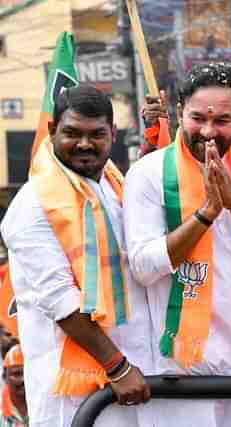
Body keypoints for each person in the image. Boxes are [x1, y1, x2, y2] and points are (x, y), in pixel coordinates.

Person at [123, 62, 231, 427]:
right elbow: (143, 267)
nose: (209, 131)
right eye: (198, 118)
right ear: (180, 113)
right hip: (177, 370)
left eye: (222, 120)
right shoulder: (148, 175)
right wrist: (207, 214)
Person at [0, 85, 153, 427]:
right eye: (72, 133)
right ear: (53, 130)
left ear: (112, 135)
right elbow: (61, 302)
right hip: (75, 394)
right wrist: (118, 366)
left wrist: (153, 151)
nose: (84, 144)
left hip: (130, 381)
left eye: (96, 134)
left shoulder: (113, 187)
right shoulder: (33, 206)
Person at [0, 344, 27, 427]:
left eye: (27, 373)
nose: (23, 379)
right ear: (5, 377)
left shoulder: (47, 407)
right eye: (17, 374)